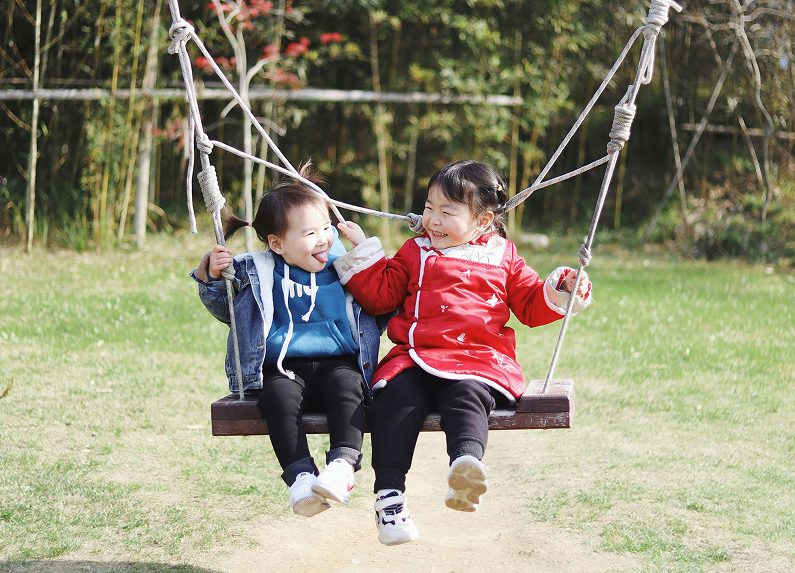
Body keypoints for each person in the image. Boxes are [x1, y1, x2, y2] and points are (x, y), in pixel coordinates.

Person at [333, 159, 592, 545]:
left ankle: (465, 465)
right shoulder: (416, 251)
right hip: (416, 356)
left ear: (483, 220)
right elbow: (381, 295)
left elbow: (529, 303)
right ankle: (389, 497)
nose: (433, 220)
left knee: (468, 394)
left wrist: (562, 288)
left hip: (477, 359)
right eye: (429, 208)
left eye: (447, 212)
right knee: (394, 399)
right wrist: (365, 252)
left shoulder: (502, 255)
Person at [191, 165, 381, 518]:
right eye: (310, 233)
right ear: (277, 243)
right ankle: (300, 477)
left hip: (337, 362)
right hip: (284, 367)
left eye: (326, 228)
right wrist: (211, 275)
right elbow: (227, 309)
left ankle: (342, 466)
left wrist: (366, 255)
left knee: (348, 388)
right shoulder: (258, 270)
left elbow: (383, 300)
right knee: (277, 398)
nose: (323, 239)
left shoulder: (346, 266)